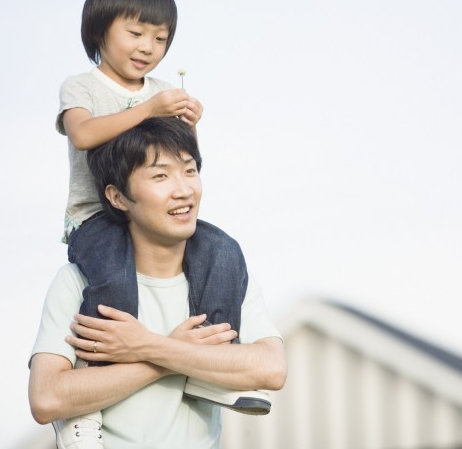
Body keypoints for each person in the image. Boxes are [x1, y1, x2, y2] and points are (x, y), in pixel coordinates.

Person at [52, 0, 265, 447]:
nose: (148, 47)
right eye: (135, 33)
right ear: (99, 30)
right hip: (97, 217)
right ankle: (88, 402)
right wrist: (151, 109)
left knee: (223, 250)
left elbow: (177, 161)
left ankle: (211, 366)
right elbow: (83, 134)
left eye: (160, 38)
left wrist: (188, 124)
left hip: (152, 217)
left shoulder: (164, 88)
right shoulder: (81, 87)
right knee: (113, 279)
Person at [29, 117, 287, 449]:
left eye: (189, 170)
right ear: (118, 197)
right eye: (160, 176)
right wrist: (171, 359)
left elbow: (271, 369)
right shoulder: (78, 281)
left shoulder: (223, 275)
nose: (184, 190)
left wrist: (149, 346)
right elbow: (46, 399)